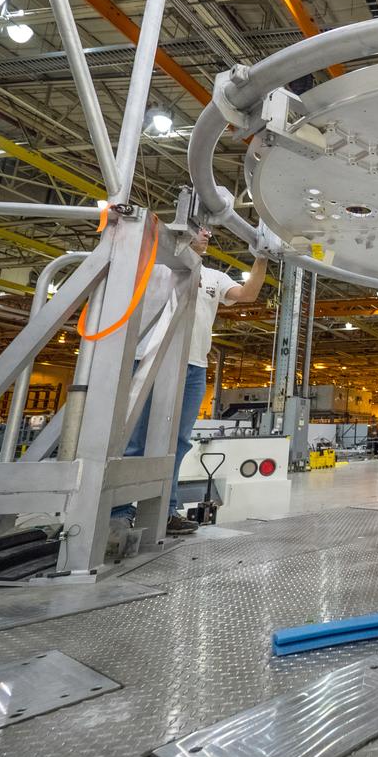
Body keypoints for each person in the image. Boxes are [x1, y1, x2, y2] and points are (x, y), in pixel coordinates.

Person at [113, 226, 266, 536]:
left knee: (178, 442)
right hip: (148, 359)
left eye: (209, 232)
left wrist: (262, 256)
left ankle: (165, 511)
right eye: (199, 230)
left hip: (193, 367)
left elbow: (247, 294)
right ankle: (119, 511)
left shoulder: (214, 276)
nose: (207, 235)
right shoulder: (157, 268)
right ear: (180, 231)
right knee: (134, 441)